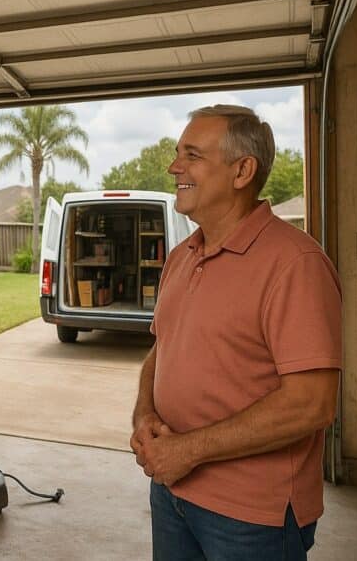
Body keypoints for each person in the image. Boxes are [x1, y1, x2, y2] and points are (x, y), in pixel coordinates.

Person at [130, 105, 342, 561]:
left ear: (242, 170)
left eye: (192, 155)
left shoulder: (295, 264)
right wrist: (144, 415)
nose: (174, 167)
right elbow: (161, 349)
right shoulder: (182, 256)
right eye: (176, 153)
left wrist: (190, 450)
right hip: (171, 492)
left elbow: (312, 404)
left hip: (251, 516)